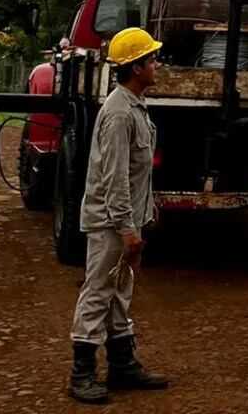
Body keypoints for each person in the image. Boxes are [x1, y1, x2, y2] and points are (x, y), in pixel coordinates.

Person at [68, 27, 170, 404]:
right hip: (111, 223)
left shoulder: (134, 106)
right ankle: (81, 374)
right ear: (135, 67)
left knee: (119, 294)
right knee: (97, 293)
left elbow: (137, 173)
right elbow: (114, 179)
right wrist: (128, 229)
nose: (157, 64)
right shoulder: (118, 113)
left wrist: (147, 209)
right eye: (152, 59)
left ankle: (123, 366)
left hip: (126, 219)